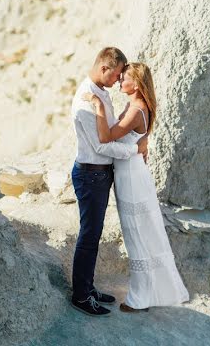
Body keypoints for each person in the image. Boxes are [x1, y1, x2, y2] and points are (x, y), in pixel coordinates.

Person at [85, 62, 190, 312]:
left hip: (131, 178)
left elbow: (106, 137)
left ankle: (140, 298)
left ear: (137, 84)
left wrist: (98, 105)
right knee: (140, 233)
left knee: (137, 236)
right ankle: (154, 291)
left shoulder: (136, 109)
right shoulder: (133, 105)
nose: (120, 81)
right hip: (129, 173)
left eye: (125, 78)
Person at [69, 47, 149, 317]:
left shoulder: (101, 93)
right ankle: (80, 296)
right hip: (91, 174)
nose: (118, 80)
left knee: (94, 234)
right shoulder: (85, 104)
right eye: (116, 75)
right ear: (104, 69)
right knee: (88, 236)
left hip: (99, 175)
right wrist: (134, 150)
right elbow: (102, 146)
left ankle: (88, 288)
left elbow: (112, 130)